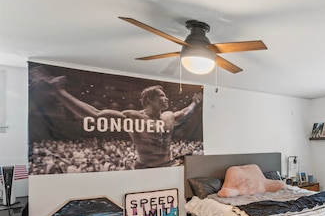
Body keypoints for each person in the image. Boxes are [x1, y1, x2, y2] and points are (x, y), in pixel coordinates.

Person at [35, 69, 202, 169]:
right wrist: (60, 92)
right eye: (161, 95)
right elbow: (94, 114)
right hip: (144, 169)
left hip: (167, 167)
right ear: (149, 99)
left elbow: (187, 112)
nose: (166, 98)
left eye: (166, 95)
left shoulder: (169, 117)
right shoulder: (135, 117)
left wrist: (195, 102)